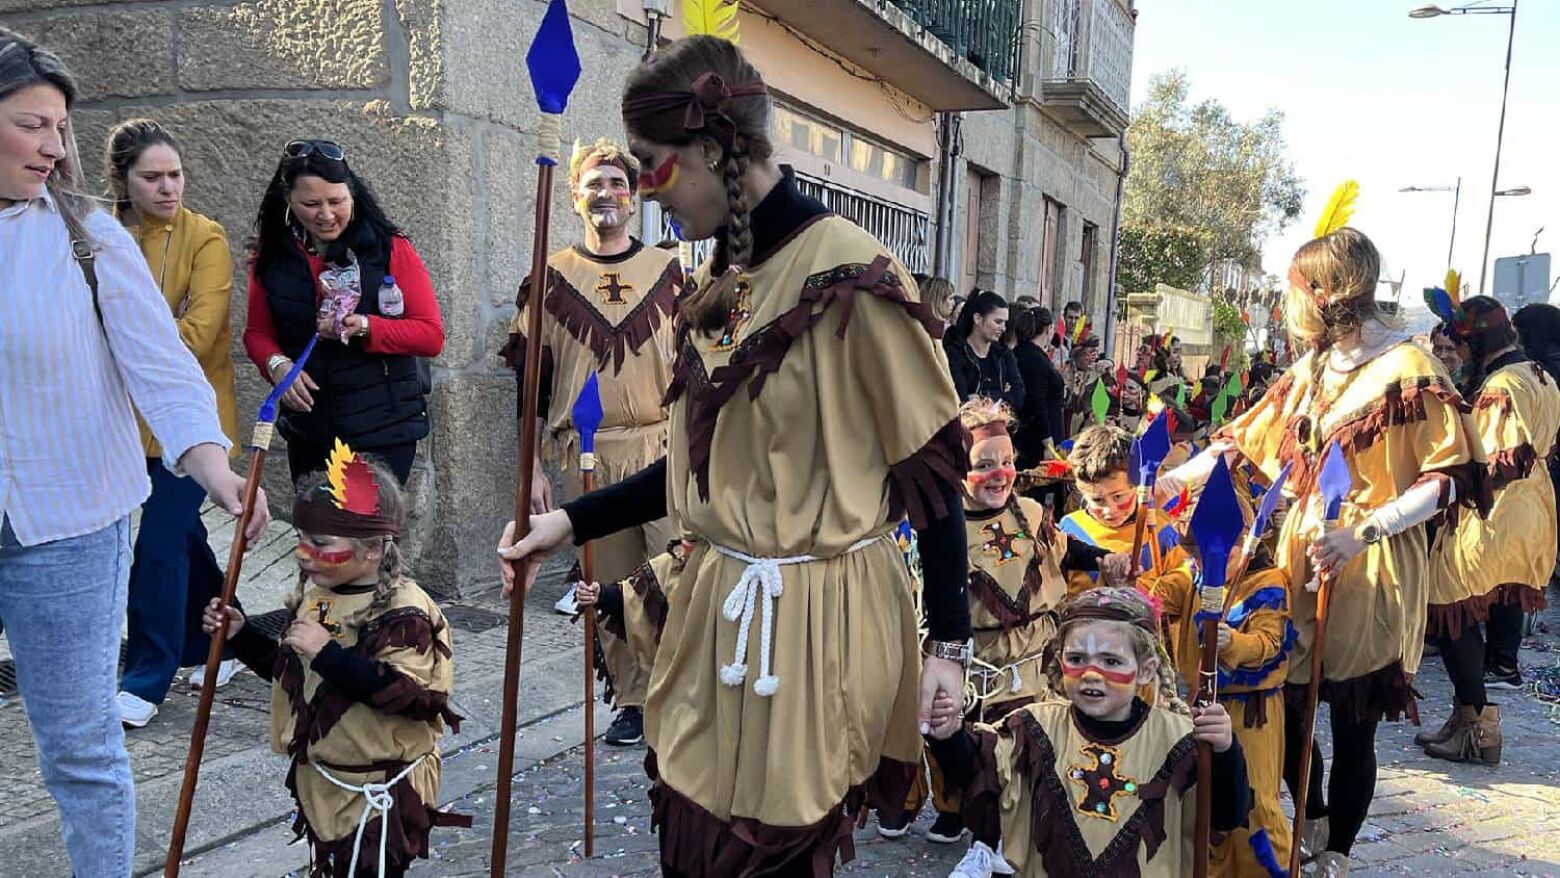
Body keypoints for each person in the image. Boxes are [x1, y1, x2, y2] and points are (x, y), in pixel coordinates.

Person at [498, 35, 972, 875]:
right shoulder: (722, 277)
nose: (644, 192)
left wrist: (949, 646)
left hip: (816, 617)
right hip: (718, 603)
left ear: (715, 152)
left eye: (652, 166)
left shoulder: (850, 275)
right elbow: (697, 469)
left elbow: (930, 469)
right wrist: (566, 523)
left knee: (770, 853)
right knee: (691, 834)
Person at [0, 28, 268, 876]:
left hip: (70, 524)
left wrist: (213, 465)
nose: (53, 145)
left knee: (79, 748)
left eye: (59, 127)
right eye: (31, 124)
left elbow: (163, 367)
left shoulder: (87, 237)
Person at [1158, 227, 1486, 877]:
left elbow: (1448, 477)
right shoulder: (1310, 370)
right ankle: (1310, 820)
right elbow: (1242, 443)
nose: (1288, 304)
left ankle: (1338, 852)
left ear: (1326, 292)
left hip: (1372, 561)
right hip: (1300, 554)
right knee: (1286, 704)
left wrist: (1362, 533)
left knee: (1354, 721)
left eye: (1294, 290)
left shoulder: (1409, 368)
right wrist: (1177, 480)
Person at [203, 446, 468, 877]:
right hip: (328, 786)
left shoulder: (405, 613)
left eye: (321, 544)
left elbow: (413, 697)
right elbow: (296, 675)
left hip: (382, 796)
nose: (303, 554)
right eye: (301, 539)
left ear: (372, 549)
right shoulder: (317, 599)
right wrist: (241, 636)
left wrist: (327, 654)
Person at [501, 137, 682, 747]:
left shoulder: (670, 273)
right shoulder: (550, 277)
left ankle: (680, 691)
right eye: (594, 185)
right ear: (575, 198)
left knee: (676, 573)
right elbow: (529, 384)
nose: (606, 194)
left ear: (633, 198)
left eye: (617, 184)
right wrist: (530, 469)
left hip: (663, 447)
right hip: (587, 455)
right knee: (609, 585)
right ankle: (632, 699)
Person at [907, 398, 1110, 874]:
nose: (999, 474)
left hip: (1034, 664)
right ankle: (983, 833)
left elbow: (1066, 550)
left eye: (1007, 461)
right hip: (976, 669)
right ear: (958, 469)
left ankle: (1000, 842)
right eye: (983, 465)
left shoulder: (1033, 515)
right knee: (974, 758)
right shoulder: (940, 527)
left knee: (1026, 757)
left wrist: (1105, 558)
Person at [924, 587, 1252, 877]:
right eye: (1077, 659)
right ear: (1060, 661)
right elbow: (976, 776)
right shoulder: (1035, 729)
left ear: (1146, 670)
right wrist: (948, 734)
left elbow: (1226, 815)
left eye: (1111, 661)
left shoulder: (1179, 740)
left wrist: (1225, 750)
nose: (1091, 674)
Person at [104, 118, 246, 728]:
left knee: (158, 545)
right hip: (117, 420)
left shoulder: (204, 237)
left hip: (192, 422)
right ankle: (225, 634)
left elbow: (199, 332)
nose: (168, 188)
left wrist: (119, 340)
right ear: (122, 180)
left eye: (176, 175)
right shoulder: (99, 235)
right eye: (152, 177)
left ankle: (146, 677)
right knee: (183, 536)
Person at [243, 139, 445, 485]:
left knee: (367, 521)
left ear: (352, 194)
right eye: (311, 204)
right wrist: (278, 367)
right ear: (288, 199)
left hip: (383, 428)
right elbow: (257, 333)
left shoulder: (390, 247)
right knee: (317, 520)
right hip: (310, 429)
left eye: (336, 202)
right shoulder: (271, 256)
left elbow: (430, 335)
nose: (326, 215)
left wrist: (366, 326)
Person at [1421, 298, 1560, 762]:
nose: (1459, 352)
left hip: (1496, 512)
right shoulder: (1539, 375)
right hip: (1530, 507)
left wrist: (1444, 487)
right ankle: (1467, 717)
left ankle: (1477, 727)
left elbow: (1502, 460)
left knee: (1447, 604)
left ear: (1477, 340)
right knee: (1460, 606)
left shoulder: (1503, 384)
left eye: (1462, 343)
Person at [1158, 503, 1297, 876]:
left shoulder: (1267, 581)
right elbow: (1158, 594)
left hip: (1249, 714)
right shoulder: (1193, 573)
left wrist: (1233, 641)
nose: (1208, 562)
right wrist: (1133, 588)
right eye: (1198, 554)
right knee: (1207, 805)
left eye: (1222, 553)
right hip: (1202, 708)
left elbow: (1270, 642)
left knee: (1253, 806)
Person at [1059, 425, 1192, 601]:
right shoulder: (1070, 529)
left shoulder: (1162, 532)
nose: (1110, 510)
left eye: (1118, 496)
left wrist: (1135, 590)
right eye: (1097, 500)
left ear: (1137, 486)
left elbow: (1182, 590)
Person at [945, 289, 1025, 410]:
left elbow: (1018, 397)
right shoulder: (955, 353)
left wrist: (982, 398)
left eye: (1005, 323)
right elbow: (960, 398)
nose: (1003, 328)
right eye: (998, 322)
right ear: (977, 318)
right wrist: (1002, 395)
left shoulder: (1003, 354)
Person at [1011, 307, 1065, 471]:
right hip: (1038, 439)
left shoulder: (1020, 353)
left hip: (1028, 433)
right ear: (1048, 329)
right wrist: (1047, 441)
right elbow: (1037, 402)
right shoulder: (1035, 360)